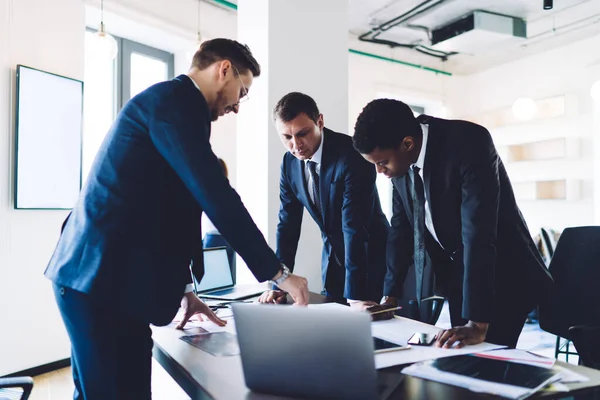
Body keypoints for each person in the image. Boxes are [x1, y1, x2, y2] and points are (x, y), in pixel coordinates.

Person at [44, 39, 309, 400]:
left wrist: (186, 290)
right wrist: (278, 274)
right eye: (242, 93)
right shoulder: (172, 102)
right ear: (224, 69)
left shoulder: (182, 112)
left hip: (117, 284)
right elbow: (215, 195)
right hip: (97, 279)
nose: (236, 106)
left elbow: (175, 213)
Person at [352, 98, 553, 348]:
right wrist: (389, 297)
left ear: (407, 144)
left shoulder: (468, 142)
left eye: (382, 163)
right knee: (460, 355)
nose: (379, 172)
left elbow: (477, 232)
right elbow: (400, 231)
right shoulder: (401, 166)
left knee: (487, 363)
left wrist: (477, 323)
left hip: (504, 274)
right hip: (461, 277)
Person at [258, 92, 389, 310]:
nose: (296, 145)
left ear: (320, 121)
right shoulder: (289, 163)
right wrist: (279, 282)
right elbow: (287, 224)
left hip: (370, 260)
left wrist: (355, 296)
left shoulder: (352, 156)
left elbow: (354, 227)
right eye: (287, 137)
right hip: (332, 261)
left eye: (303, 133)